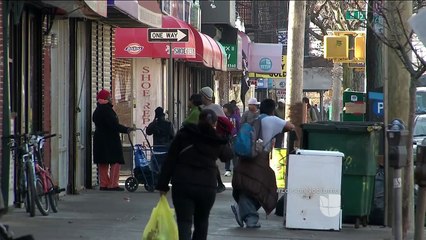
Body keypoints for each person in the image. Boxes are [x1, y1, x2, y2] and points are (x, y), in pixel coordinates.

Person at [156, 109, 234, 240]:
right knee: (202, 222)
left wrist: (162, 185)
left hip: (182, 184)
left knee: (184, 222)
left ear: (198, 120)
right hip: (206, 186)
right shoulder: (215, 139)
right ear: (214, 123)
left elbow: (170, 159)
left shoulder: (184, 134)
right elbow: (227, 156)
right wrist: (223, 135)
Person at [231, 99, 295, 228]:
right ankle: (250, 217)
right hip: (259, 159)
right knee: (262, 187)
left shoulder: (254, 119)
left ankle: (242, 210)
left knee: (248, 185)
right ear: (273, 109)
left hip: (245, 158)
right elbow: (291, 126)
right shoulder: (272, 120)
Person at [93, 89, 133, 191]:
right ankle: (113, 184)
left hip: (99, 140)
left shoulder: (97, 110)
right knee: (116, 161)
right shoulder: (107, 110)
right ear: (106, 99)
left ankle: (104, 184)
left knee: (103, 163)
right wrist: (126, 129)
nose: (111, 98)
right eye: (109, 97)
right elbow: (113, 125)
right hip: (110, 140)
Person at [222, 103, 240, 177]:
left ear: (228, 109)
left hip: (234, 137)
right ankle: (227, 169)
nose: (223, 109)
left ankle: (236, 169)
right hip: (226, 137)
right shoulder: (223, 117)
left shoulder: (235, 117)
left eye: (224, 108)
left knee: (234, 153)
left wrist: (238, 135)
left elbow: (239, 126)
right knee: (227, 153)